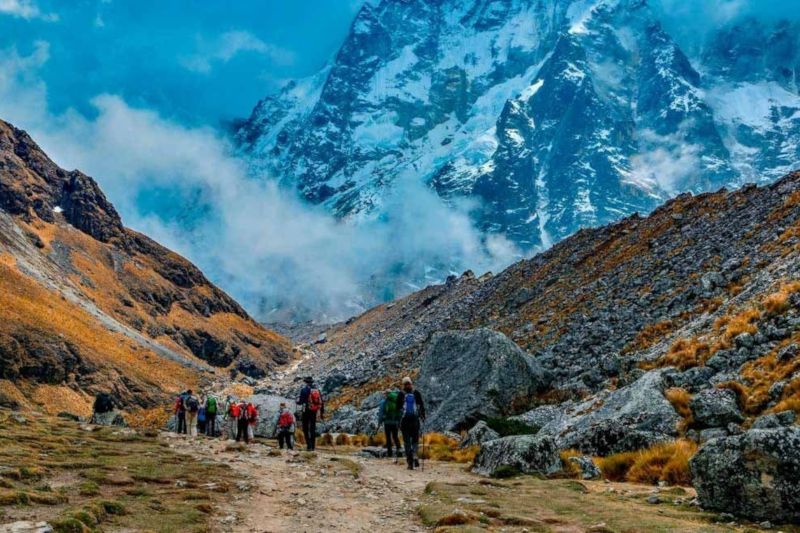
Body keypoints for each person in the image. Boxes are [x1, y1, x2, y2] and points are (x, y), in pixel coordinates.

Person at [398, 377, 426, 470]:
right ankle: (414, 454)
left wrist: (398, 422)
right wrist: (423, 417)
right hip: (415, 421)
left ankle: (410, 463)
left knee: (407, 442)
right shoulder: (416, 393)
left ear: (403, 385)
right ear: (411, 383)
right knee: (415, 441)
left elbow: (397, 408)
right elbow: (421, 405)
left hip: (405, 421)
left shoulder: (401, 394)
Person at [297, 377, 324, 451]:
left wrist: (297, 402)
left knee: (305, 428)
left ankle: (309, 445)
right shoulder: (317, 390)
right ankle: (313, 446)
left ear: (306, 382)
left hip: (306, 411)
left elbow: (301, 401)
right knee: (312, 428)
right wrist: (321, 413)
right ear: (312, 382)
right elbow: (321, 402)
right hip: (314, 411)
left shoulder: (304, 390)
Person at [378, 388, 402, 458]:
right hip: (395, 422)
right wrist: (399, 422)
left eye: (385, 394)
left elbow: (381, 413)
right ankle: (399, 451)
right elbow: (400, 412)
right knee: (395, 437)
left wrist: (379, 423)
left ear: (387, 394)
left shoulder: (384, 402)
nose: (384, 395)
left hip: (387, 423)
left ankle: (390, 453)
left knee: (388, 438)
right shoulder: (396, 401)